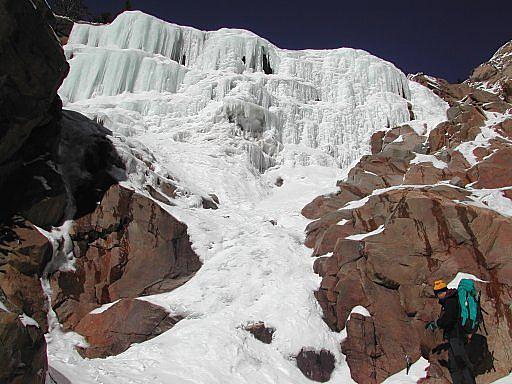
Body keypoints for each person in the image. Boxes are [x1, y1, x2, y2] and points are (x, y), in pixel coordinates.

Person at [426, 279, 476, 384]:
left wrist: (437, 324)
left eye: (438, 294)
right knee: (454, 366)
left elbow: (449, 319)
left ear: (441, 292)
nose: (438, 296)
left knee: (462, 363)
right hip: (453, 337)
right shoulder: (450, 299)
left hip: (456, 336)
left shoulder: (450, 301)